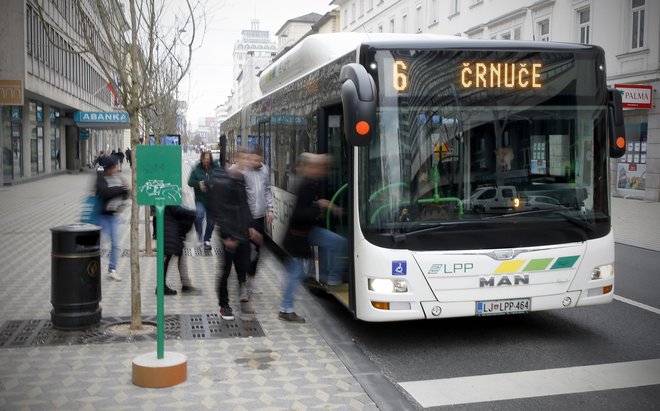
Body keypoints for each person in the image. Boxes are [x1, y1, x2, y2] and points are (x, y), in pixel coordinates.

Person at [279, 153, 346, 323]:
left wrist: (321, 206)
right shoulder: (305, 186)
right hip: (298, 237)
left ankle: (330, 278)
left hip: (307, 232)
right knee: (297, 273)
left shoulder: (312, 183)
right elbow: (300, 214)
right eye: (319, 166)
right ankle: (286, 309)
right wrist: (320, 207)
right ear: (310, 168)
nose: (323, 170)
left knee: (337, 242)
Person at [209, 149, 260, 320]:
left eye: (248, 158)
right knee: (226, 271)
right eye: (244, 158)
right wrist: (226, 236)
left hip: (243, 232)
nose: (247, 161)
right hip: (229, 235)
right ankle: (224, 306)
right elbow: (218, 210)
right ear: (237, 159)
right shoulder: (224, 180)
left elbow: (244, 205)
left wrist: (251, 227)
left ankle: (243, 304)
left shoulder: (241, 178)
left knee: (243, 267)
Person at [241, 145, 274, 295]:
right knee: (245, 250)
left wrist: (271, 210)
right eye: (252, 159)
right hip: (246, 218)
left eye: (257, 160)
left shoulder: (265, 170)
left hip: (260, 217)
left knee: (257, 251)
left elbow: (267, 191)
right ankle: (243, 282)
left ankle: (251, 280)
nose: (254, 163)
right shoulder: (244, 172)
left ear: (261, 158)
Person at [96, 155, 130, 281]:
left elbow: (126, 193)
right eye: (114, 167)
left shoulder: (118, 178)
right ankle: (91, 267)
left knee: (116, 244)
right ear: (108, 169)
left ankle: (112, 269)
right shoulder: (100, 179)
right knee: (97, 245)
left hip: (113, 217)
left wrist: (125, 191)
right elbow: (105, 193)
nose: (116, 169)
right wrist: (121, 189)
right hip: (100, 217)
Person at [158, 205, 198, 295]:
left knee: (173, 256)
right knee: (168, 257)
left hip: (170, 228)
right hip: (170, 229)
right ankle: (161, 286)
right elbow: (176, 209)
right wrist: (191, 212)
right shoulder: (168, 195)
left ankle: (184, 284)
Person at [188, 151, 221, 249]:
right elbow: (190, 182)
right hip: (200, 199)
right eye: (204, 159)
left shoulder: (216, 168)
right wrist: (199, 184)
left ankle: (207, 239)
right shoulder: (196, 169)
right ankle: (199, 237)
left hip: (212, 200)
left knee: (211, 221)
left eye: (208, 159)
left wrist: (213, 185)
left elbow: (221, 179)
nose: (206, 161)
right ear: (201, 159)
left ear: (210, 159)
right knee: (199, 216)